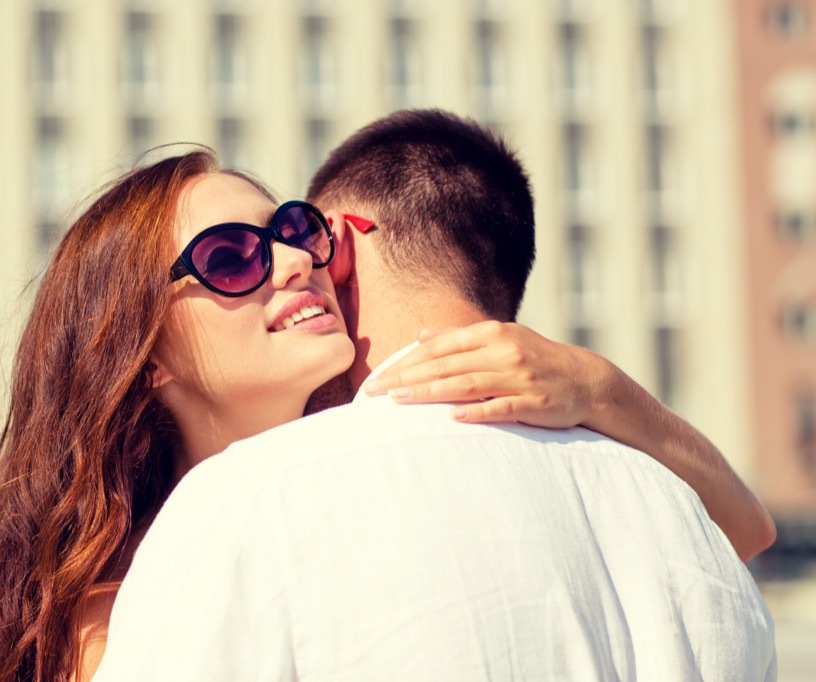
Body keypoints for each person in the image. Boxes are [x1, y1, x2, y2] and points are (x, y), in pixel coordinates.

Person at [92, 110, 776, 680]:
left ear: (340, 247)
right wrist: (608, 392)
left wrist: (604, 387)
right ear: (140, 351)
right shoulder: (677, 508)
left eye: (298, 231)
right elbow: (752, 533)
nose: (296, 261)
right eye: (229, 257)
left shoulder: (251, 498)